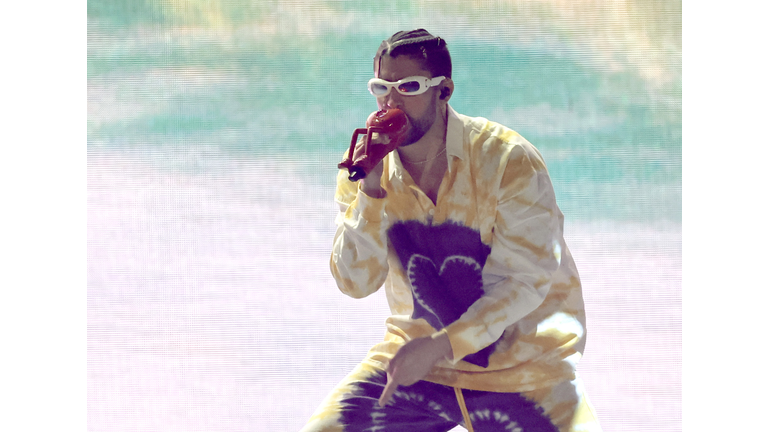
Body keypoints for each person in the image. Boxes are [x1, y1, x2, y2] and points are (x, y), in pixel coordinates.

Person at [301, 29, 602, 432]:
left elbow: (525, 281)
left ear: (443, 91)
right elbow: (355, 283)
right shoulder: (362, 167)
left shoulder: (507, 160)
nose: (391, 102)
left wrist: (440, 346)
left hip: (524, 368)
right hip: (420, 366)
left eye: (409, 87)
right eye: (381, 87)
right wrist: (370, 191)